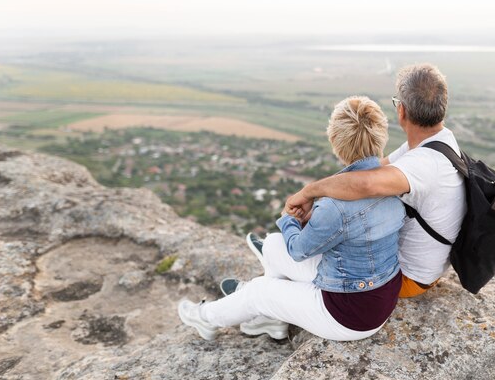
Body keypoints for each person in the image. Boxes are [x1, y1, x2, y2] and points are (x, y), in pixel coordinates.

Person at [178, 96, 405, 341]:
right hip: (377, 295)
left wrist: (290, 219)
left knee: (259, 292)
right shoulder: (393, 183)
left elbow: (298, 250)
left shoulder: (334, 207)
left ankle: (205, 317)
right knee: (274, 245)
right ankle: (272, 320)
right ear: (381, 136)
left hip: (349, 314)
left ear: (336, 143)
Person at [286, 63, 466, 298]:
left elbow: (367, 183)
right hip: (425, 270)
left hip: (405, 278)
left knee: (285, 250)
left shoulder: (424, 164)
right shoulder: (438, 142)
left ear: (401, 111)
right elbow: (372, 169)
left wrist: (309, 192)